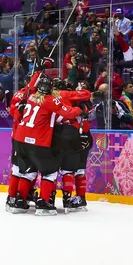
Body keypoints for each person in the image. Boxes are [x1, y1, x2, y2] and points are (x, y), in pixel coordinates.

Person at [12, 77, 83, 216]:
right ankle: (44, 203)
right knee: (50, 172)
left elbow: (16, 113)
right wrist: (80, 109)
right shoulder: (50, 100)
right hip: (38, 141)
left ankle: (19, 201)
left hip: (20, 140)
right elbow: (69, 113)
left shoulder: (31, 96)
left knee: (28, 171)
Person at [51, 78, 92, 212]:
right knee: (77, 169)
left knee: (52, 171)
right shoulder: (74, 97)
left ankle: (50, 198)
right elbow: (86, 95)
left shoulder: (50, 97)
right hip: (79, 136)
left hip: (57, 135)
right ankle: (76, 198)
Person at [5, 71, 42, 212]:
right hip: (22, 138)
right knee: (23, 169)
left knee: (24, 169)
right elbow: (14, 113)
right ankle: (15, 197)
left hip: (21, 137)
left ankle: (21, 194)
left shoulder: (27, 95)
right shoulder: (23, 95)